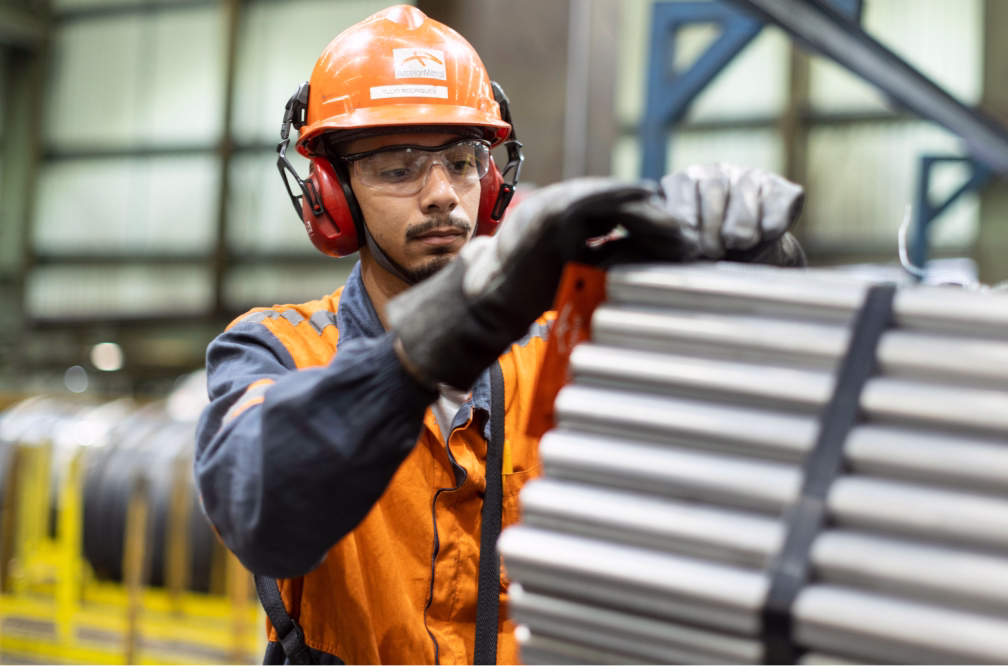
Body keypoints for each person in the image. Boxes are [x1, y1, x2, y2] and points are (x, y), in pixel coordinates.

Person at [195, 5, 805, 666]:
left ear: (491, 181)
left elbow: (750, 425)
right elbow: (259, 505)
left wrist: (756, 267)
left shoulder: (556, 346)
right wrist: (430, 345)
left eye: (461, 161)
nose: (440, 195)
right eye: (397, 169)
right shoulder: (277, 349)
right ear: (332, 193)